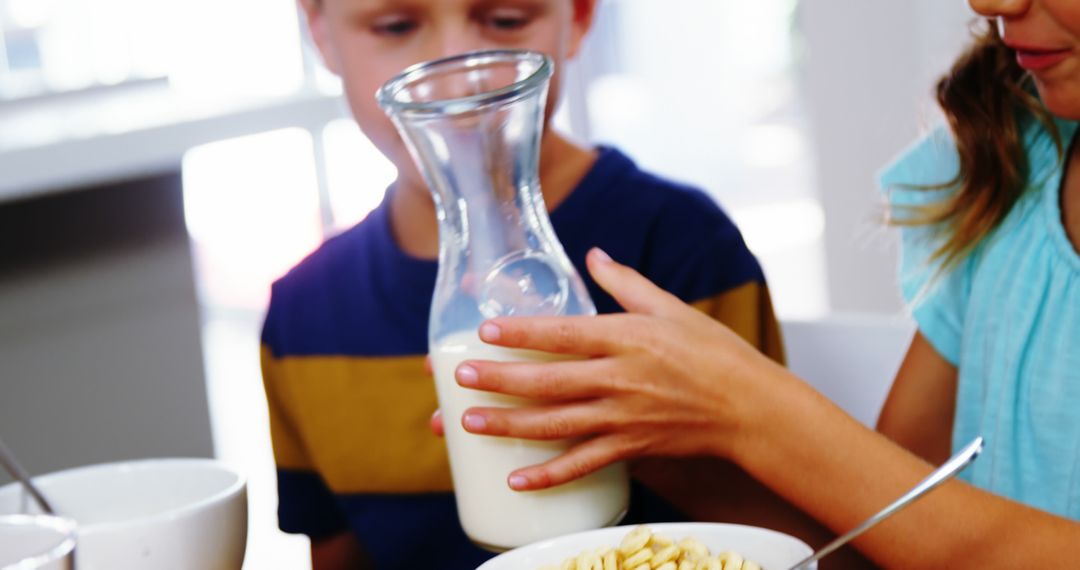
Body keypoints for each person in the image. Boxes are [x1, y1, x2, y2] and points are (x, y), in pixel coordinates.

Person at [440, 0, 1080, 566]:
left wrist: (755, 411)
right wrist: (651, 436)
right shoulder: (1011, 172)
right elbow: (883, 539)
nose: (990, 2)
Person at [259, 1, 791, 568]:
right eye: (396, 26)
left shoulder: (683, 248)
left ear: (580, 15)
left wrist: (647, 437)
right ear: (319, 30)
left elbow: (793, 537)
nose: (458, 68)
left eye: (507, 19)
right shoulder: (303, 317)